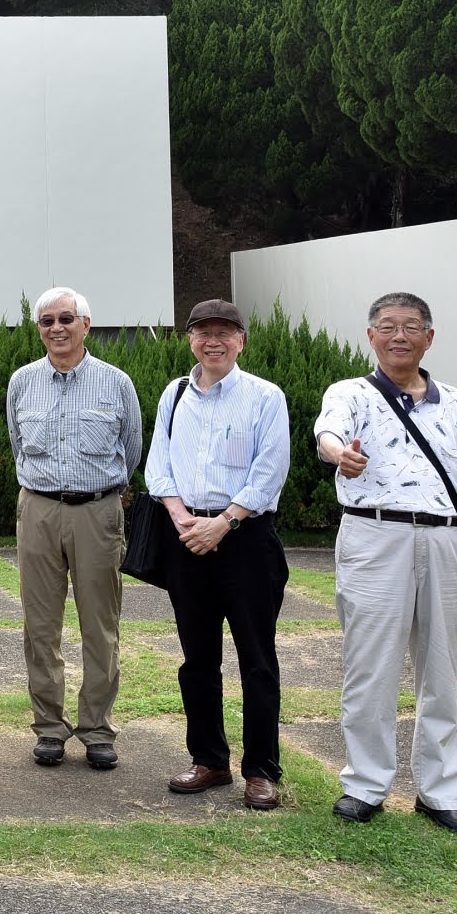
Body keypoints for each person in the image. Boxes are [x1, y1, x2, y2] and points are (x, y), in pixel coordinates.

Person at [317, 292, 457, 835]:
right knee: (370, 667)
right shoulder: (351, 393)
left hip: (447, 541)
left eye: (410, 327)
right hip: (374, 535)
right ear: (371, 337)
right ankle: (365, 785)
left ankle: (442, 793)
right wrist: (340, 454)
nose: (398, 336)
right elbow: (329, 432)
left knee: (442, 671)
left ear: (430, 337)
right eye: (387, 327)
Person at [143, 298, 291, 811]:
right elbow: (158, 463)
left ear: (241, 341)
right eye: (203, 332)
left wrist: (224, 522)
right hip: (186, 537)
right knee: (197, 658)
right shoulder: (175, 394)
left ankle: (261, 770)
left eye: (225, 332)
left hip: (245, 539)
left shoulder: (265, 397)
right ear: (190, 340)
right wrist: (180, 514)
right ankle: (209, 759)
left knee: (257, 658)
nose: (214, 341)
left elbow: (270, 471)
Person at [5, 287, 141, 772]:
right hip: (38, 510)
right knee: (40, 626)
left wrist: (103, 498)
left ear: (86, 323)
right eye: (47, 321)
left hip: (97, 512)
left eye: (66, 318)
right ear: (38, 329)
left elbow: (131, 448)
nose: (57, 328)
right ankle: (49, 727)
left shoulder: (115, 383)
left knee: (99, 626)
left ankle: (97, 729)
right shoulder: (22, 382)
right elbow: (17, 442)